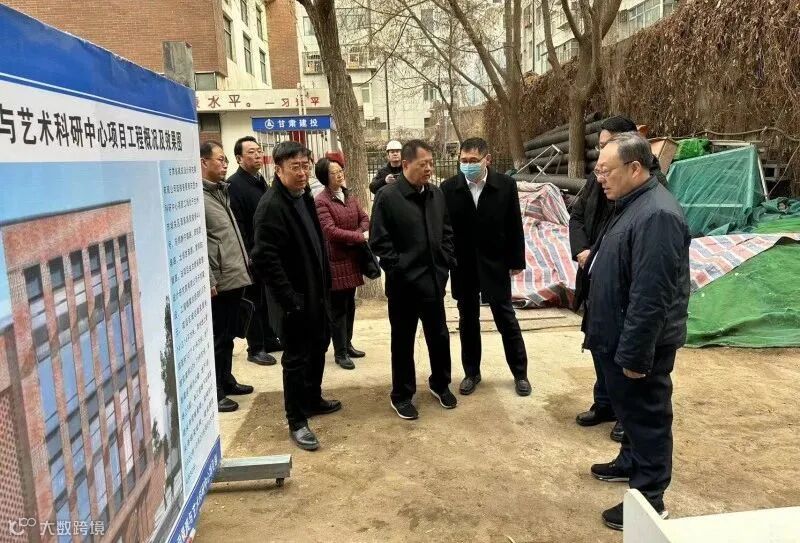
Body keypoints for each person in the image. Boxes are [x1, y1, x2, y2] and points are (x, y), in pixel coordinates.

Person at [584, 132, 690, 530]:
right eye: (597, 171)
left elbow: (651, 294)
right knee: (630, 410)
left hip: (640, 342)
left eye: (606, 171)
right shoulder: (631, 204)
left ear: (634, 168)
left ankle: (649, 498)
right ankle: (630, 462)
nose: (600, 179)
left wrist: (634, 354)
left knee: (647, 417)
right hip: (617, 334)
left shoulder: (657, 215)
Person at [570, 116, 668, 443]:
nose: (600, 171)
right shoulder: (603, 181)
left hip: (622, 285)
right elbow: (577, 215)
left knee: (622, 353)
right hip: (597, 274)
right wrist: (584, 251)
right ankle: (606, 403)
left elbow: (651, 286)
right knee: (599, 343)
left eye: (607, 148)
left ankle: (627, 416)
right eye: (599, 149)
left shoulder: (651, 200)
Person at [251, 141, 341, 451]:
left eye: (305, 166)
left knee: (319, 347)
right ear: (278, 169)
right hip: (294, 301)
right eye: (295, 167)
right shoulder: (271, 206)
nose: (302, 173)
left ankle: (313, 399)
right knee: (296, 360)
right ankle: (297, 420)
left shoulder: (303, 196)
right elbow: (265, 259)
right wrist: (290, 300)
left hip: (316, 293)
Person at [370, 139, 458, 420]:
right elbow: (379, 242)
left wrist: (444, 263)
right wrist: (400, 268)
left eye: (431, 163)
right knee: (403, 341)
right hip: (403, 286)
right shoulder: (387, 196)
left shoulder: (436, 194)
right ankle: (402, 395)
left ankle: (440, 384)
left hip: (433, 281)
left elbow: (447, 231)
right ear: (406, 164)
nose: (429, 169)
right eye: (423, 164)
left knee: (439, 336)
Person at [441, 138, 531, 397]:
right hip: (464, 265)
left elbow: (514, 225)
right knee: (467, 321)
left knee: (506, 318)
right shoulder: (449, 188)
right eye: (463, 160)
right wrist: (448, 260)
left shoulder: (505, 185)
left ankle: (520, 374)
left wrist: (516, 261)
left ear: (487, 160)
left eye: (473, 161)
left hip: (495, 263)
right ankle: (471, 373)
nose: (467, 165)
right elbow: (445, 229)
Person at [201, 141, 254, 413]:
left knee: (230, 335)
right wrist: (209, 279)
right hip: (219, 281)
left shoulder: (221, 192)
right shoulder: (198, 197)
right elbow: (199, 243)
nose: (225, 165)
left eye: (225, 160)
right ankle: (216, 391)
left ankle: (227, 379)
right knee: (218, 337)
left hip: (234, 274)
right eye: (220, 160)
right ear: (203, 162)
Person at [227, 136, 282, 367]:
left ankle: (269, 339)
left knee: (266, 299)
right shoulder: (234, 186)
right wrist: (248, 254)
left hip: (267, 251)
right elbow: (238, 224)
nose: (258, 155)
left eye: (259, 151)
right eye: (251, 152)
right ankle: (255, 348)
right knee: (253, 301)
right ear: (239, 158)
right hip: (251, 255)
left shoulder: (260, 181)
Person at [314, 156, 370, 370]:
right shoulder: (321, 201)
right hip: (335, 261)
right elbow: (330, 231)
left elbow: (364, 219)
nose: (339, 174)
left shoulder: (349, 195)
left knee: (350, 305)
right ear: (324, 177)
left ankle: (348, 344)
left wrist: (357, 233)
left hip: (352, 258)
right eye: (334, 172)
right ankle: (340, 352)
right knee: (338, 309)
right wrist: (358, 237)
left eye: (340, 170)